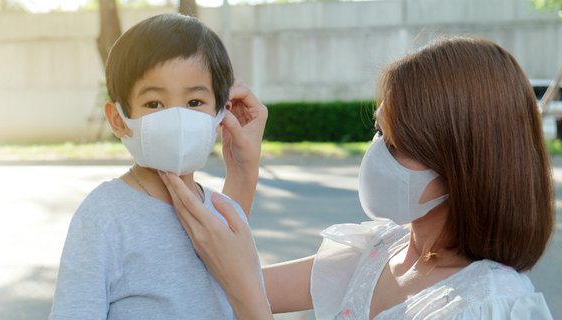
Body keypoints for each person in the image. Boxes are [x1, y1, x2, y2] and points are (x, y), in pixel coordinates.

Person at [159, 36, 556, 319]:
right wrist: (242, 170)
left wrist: (246, 297)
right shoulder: (375, 253)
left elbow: (242, 293)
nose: (376, 155)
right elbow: (213, 290)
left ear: (465, 167)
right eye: (379, 132)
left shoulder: (489, 304)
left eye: (399, 146)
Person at [49, 13, 268, 319]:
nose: (177, 118)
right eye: (154, 104)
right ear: (118, 119)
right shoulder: (104, 215)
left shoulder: (226, 213)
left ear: (222, 113)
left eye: (194, 103)